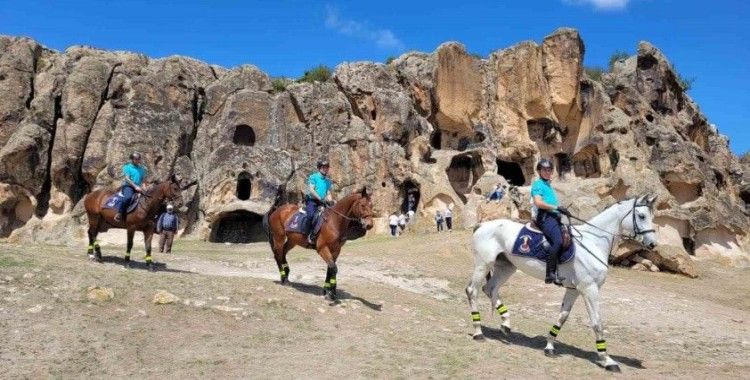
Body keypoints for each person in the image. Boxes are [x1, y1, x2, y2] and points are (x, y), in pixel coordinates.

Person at [531, 158, 570, 286]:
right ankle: (550, 274)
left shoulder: (548, 185)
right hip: (545, 218)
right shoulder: (537, 184)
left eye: (549, 170)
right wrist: (556, 208)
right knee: (558, 241)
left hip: (554, 217)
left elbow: (552, 203)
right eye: (544, 170)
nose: (547, 172)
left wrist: (561, 211)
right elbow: (538, 202)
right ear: (539, 171)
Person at [305, 159, 333, 245]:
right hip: (312, 201)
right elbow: (311, 190)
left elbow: (328, 193)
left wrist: (331, 201)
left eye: (327, 167)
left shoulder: (328, 181)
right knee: (311, 215)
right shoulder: (313, 177)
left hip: (323, 202)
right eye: (323, 167)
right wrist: (320, 198)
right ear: (319, 168)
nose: (325, 169)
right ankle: (309, 235)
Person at [116, 152, 147, 222]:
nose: (138, 160)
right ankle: (119, 213)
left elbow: (144, 180)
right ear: (132, 159)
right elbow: (127, 178)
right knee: (128, 197)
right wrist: (135, 186)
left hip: (138, 188)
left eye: (139, 159)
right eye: (136, 159)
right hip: (128, 186)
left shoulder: (142, 169)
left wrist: (144, 187)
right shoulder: (127, 167)